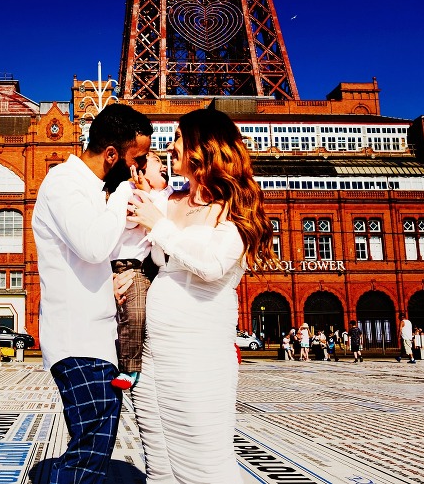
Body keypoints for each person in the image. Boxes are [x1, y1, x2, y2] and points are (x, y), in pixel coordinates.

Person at [127, 108, 273, 484]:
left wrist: (159, 227)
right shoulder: (170, 200)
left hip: (201, 352)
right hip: (155, 351)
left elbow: (211, 265)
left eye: (177, 137)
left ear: (202, 147)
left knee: (205, 460)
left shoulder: (235, 207)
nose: (170, 146)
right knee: (158, 463)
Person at [32, 103, 153, 484]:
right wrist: (123, 193)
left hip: (95, 339)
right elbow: (93, 246)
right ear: (113, 155)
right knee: (88, 455)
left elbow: (90, 258)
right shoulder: (64, 183)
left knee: (93, 450)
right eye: (137, 160)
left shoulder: (86, 189)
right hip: (77, 342)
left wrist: (107, 287)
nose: (137, 169)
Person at [109, 149, 172, 390]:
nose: (164, 168)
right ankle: (124, 365)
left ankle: (136, 367)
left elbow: (161, 217)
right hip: (121, 267)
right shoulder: (129, 191)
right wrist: (137, 191)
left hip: (144, 269)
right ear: (139, 173)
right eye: (158, 166)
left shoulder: (163, 196)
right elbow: (128, 218)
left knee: (141, 318)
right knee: (127, 317)